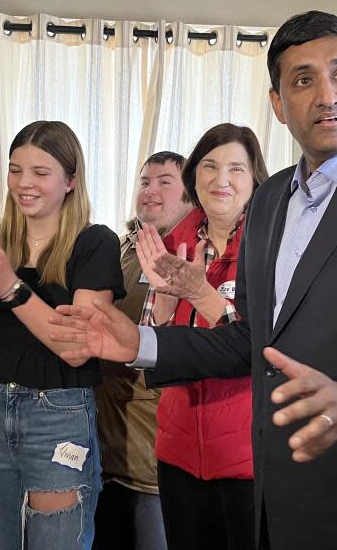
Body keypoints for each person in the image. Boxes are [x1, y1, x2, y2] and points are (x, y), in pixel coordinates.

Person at [51, 11, 337, 549]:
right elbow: (251, 341)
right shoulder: (269, 201)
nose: (327, 94)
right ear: (278, 104)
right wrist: (141, 342)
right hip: (273, 505)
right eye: (303, 80)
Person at [0, 120, 125, 549]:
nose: (23, 184)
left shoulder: (94, 243)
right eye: (15, 170)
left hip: (58, 413)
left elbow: (76, 349)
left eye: (40, 173)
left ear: (70, 181)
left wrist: (9, 286)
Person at [135, 124, 268, 549]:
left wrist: (200, 292)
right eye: (209, 166)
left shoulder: (273, 247)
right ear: (195, 178)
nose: (220, 179)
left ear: (254, 180)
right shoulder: (172, 246)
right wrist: (165, 304)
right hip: (177, 453)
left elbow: (260, 348)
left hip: (249, 459)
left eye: (236, 168)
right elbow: (147, 350)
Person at [92, 151, 191, 550]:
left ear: (190, 196)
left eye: (165, 182)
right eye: (144, 181)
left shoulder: (197, 261)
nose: (150, 191)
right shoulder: (117, 251)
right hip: (104, 458)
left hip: (157, 467)